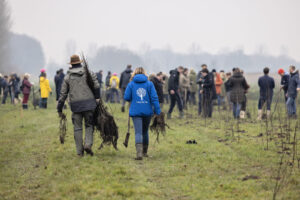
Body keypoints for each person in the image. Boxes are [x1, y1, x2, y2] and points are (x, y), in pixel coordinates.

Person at [57, 54, 100, 156]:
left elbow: (63, 94)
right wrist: (97, 98)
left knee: (77, 128)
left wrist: (59, 108)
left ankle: (79, 152)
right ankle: (88, 145)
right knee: (89, 125)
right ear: (80, 62)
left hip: (76, 106)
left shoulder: (67, 77)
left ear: (71, 64)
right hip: (89, 104)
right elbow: (97, 85)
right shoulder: (88, 73)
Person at [124, 67, 161, 160]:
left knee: (138, 132)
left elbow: (126, 97)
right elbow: (154, 98)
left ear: (134, 74)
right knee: (145, 131)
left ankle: (139, 154)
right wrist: (158, 111)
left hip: (135, 112)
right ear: (145, 73)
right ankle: (145, 152)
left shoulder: (131, 84)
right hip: (147, 112)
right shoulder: (149, 84)